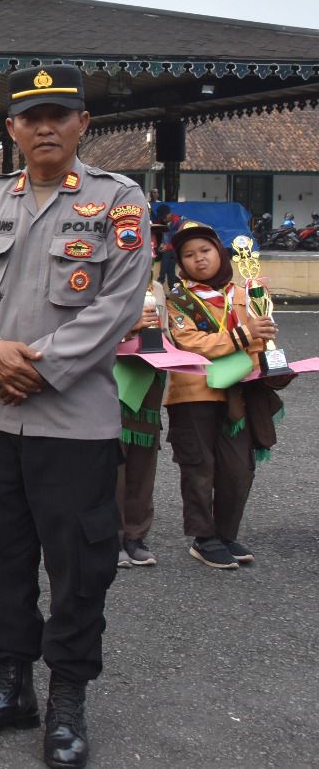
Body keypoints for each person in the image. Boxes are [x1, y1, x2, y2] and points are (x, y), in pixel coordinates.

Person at [0, 65, 150, 769]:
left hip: (73, 421)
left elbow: (119, 303)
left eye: (59, 115)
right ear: (12, 129)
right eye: (31, 117)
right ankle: (11, 682)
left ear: (83, 124)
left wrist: (42, 365)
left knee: (79, 564)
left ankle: (67, 695)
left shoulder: (119, 203)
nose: (45, 128)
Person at [162, 220, 281, 570]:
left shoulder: (247, 294)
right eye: (188, 255)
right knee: (199, 466)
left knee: (238, 467)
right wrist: (243, 336)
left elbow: (263, 339)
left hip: (238, 392)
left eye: (205, 250)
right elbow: (190, 344)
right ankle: (204, 538)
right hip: (192, 393)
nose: (199, 260)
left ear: (220, 252)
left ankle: (226, 534)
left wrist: (273, 359)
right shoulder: (178, 300)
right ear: (180, 264)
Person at [114, 279, 168, 569]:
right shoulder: (101, 278)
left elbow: (167, 332)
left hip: (147, 380)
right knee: (112, 467)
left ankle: (135, 535)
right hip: (111, 381)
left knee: (143, 465)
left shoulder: (157, 288)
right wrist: (128, 328)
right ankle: (111, 537)